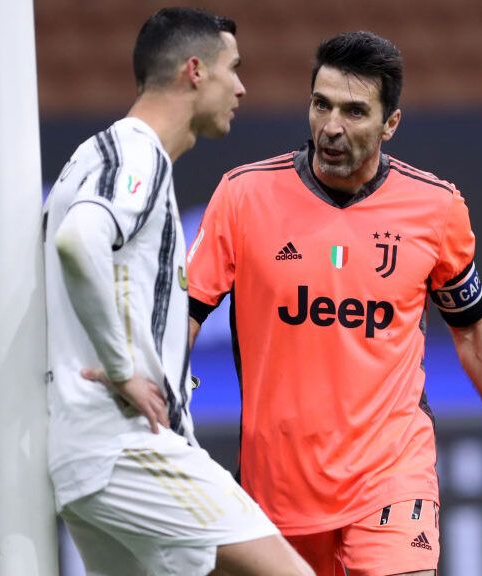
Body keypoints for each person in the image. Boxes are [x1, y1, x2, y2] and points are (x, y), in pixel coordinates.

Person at [186, 31, 482, 575]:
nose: (331, 126)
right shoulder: (243, 196)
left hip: (392, 478)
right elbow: (185, 312)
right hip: (277, 488)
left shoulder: (435, 207)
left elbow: (472, 323)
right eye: (321, 105)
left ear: (390, 124)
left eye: (354, 111)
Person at [43, 8, 313, 576]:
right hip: (126, 447)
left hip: (86, 461)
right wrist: (122, 368)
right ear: (195, 71)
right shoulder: (135, 151)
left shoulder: (91, 158)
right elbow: (78, 240)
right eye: (232, 69)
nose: (240, 87)